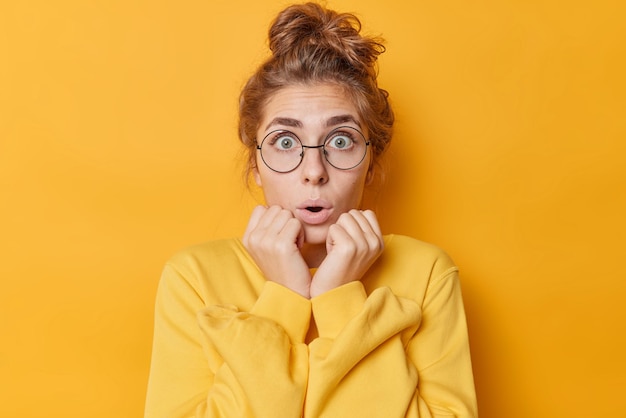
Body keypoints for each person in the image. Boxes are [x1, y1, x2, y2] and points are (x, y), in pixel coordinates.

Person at [144, 2, 477, 417]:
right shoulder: (195, 277)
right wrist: (283, 298)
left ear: (371, 164)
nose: (314, 172)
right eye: (286, 142)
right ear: (256, 167)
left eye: (340, 140)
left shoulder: (427, 274)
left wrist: (339, 299)